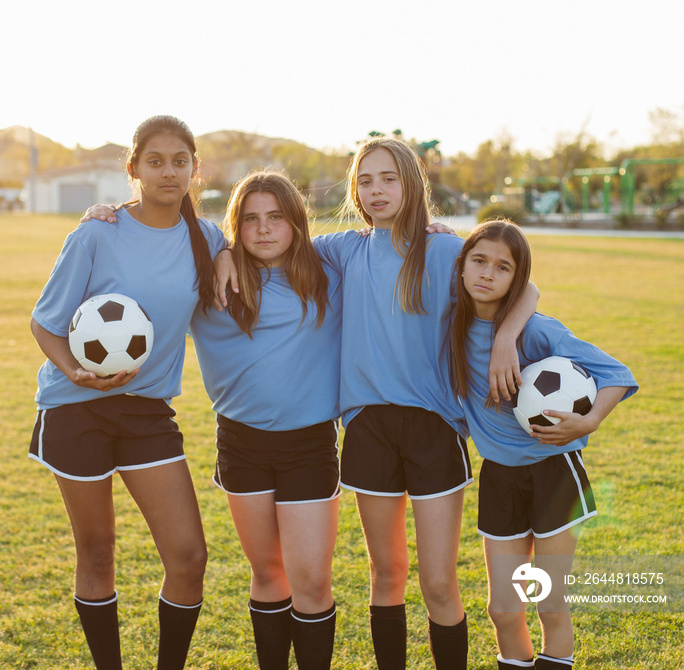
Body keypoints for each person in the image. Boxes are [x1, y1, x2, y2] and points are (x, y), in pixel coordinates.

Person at [309, 139, 540, 670]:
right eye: (365, 181)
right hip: (368, 428)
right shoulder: (347, 249)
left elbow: (524, 287)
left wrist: (505, 339)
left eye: (388, 178)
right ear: (355, 191)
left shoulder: (445, 251)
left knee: (438, 581)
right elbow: (269, 244)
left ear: (411, 183)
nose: (376, 190)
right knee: (386, 574)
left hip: (434, 430)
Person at [29, 115, 226, 670]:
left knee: (188, 557)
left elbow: (267, 245)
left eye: (180, 162)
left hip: (146, 412)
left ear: (194, 169)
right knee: (97, 552)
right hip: (77, 409)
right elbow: (46, 323)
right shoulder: (99, 231)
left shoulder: (208, 240)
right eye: (155, 161)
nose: (169, 172)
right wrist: (75, 371)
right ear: (134, 168)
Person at [449, 219, 638, 670]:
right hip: (499, 477)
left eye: (502, 268)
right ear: (461, 267)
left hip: (554, 471)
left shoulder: (538, 331)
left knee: (549, 603)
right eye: (478, 261)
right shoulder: (451, 327)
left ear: (518, 278)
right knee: (503, 609)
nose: (487, 275)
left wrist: (586, 421)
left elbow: (617, 374)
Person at [190, 171, 342, 670]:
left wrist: (436, 231)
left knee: (313, 582)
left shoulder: (328, 270)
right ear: (236, 228)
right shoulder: (213, 277)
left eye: (276, 216)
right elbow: (165, 230)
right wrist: (102, 213)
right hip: (241, 443)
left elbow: (387, 238)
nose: (263, 229)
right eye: (250, 219)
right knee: (268, 571)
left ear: (296, 223)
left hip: (309, 444)